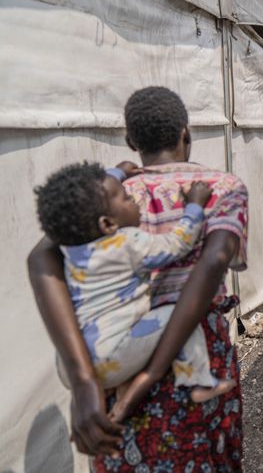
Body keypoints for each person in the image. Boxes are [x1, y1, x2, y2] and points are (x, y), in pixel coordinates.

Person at [27, 86, 248, 471]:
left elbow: (40, 256)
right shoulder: (223, 187)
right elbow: (212, 263)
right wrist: (152, 373)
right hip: (193, 357)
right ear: (186, 133)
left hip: (111, 362)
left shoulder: (107, 196)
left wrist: (82, 381)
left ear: (130, 141)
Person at [34, 161, 236, 406]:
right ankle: (198, 380)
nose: (134, 199)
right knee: (180, 313)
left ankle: (122, 385)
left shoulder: (70, 252)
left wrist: (117, 173)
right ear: (108, 224)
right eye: (126, 198)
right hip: (110, 358)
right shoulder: (127, 243)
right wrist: (194, 205)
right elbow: (178, 243)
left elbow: (82, 198)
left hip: (71, 366)